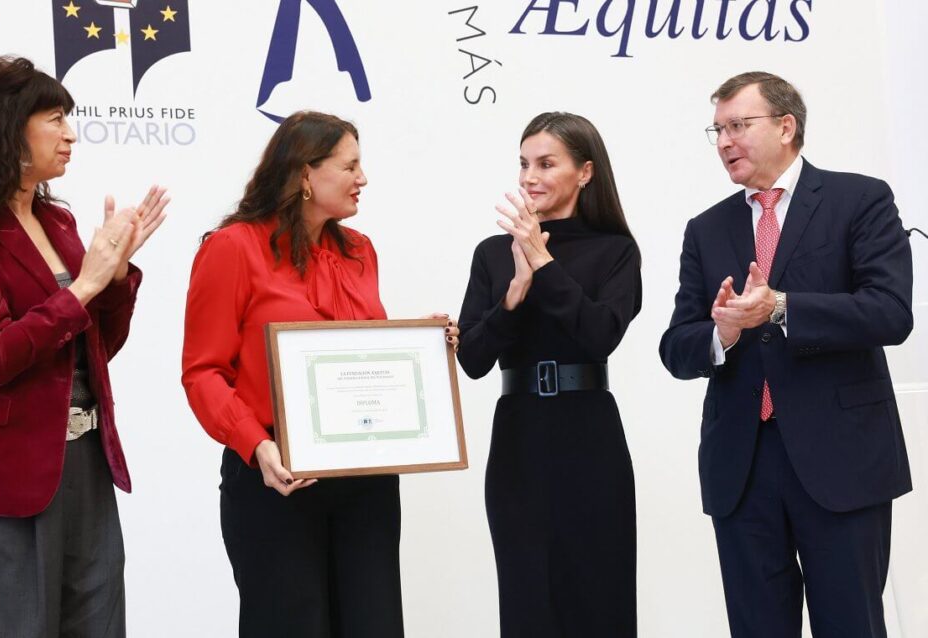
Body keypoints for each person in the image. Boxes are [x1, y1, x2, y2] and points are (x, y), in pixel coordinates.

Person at [181, 110, 458, 638]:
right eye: (350, 166)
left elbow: (362, 356)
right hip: (275, 480)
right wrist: (256, 445)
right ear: (305, 173)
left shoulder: (359, 251)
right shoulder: (233, 248)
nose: (363, 178)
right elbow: (203, 372)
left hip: (366, 483)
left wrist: (418, 343)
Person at [659, 71, 913, 637]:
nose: (724, 141)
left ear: (786, 126)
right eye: (717, 129)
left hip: (840, 462)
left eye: (738, 125)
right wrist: (721, 335)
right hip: (742, 468)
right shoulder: (706, 229)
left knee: (850, 625)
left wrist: (780, 307)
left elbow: (890, 312)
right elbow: (676, 347)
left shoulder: (859, 199)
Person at [0, 56, 168, 637]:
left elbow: (96, 350)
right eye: (55, 118)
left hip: (83, 464)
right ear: (7, 126)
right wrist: (85, 283)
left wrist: (116, 273)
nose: (71, 133)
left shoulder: (58, 221)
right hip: (2, 476)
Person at [457, 112, 641, 636]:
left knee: (597, 597)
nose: (528, 177)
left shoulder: (615, 251)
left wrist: (543, 265)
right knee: (526, 599)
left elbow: (600, 335)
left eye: (545, 163)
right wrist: (511, 297)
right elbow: (471, 360)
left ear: (585, 172)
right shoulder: (494, 254)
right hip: (519, 440)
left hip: (590, 438)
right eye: (523, 164)